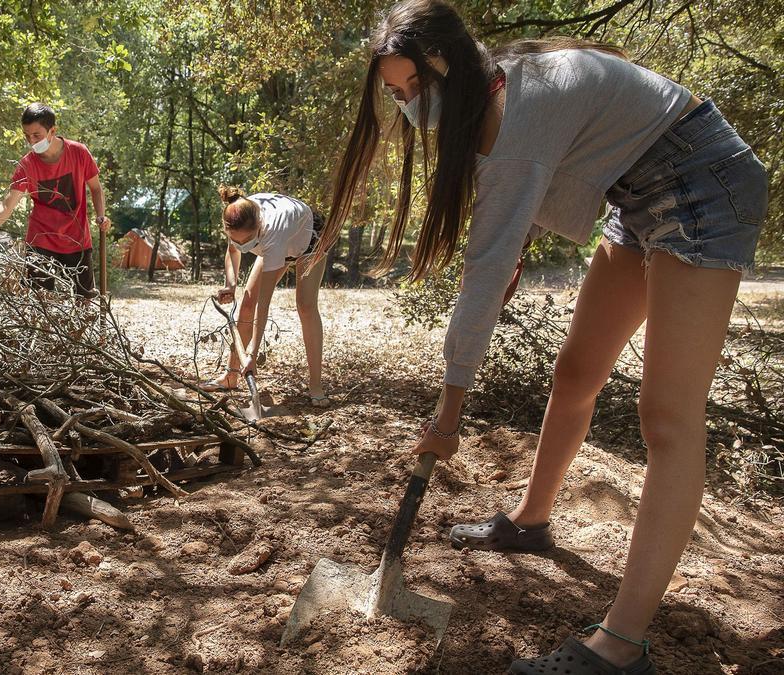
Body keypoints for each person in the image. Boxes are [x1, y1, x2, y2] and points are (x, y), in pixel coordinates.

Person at [312, 1, 769, 672]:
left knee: (668, 416)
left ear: (451, 71)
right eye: (396, 93)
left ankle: (621, 646)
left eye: (416, 88)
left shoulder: (512, 115)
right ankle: (530, 520)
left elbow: (483, 270)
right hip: (638, 190)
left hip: (702, 182)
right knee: (576, 370)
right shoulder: (499, 88)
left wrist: (449, 412)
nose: (409, 106)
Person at [0, 103, 111, 297]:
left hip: (77, 239)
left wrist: (101, 216)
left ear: (52, 131)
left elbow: (96, 188)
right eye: (26, 135)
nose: (31, 141)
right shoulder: (27, 165)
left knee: (84, 300)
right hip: (41, 240)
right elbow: (7, 205)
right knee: (40, 302)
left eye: (36, 135)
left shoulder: (79, 153)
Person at [203, 186, 330, 407]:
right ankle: (231, 376)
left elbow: (265, 301)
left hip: (309, 237)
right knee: (246, 302)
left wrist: (253, 352)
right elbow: (233, 251)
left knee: (305, 306)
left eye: (248, 241)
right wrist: (230, 285)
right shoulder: (237, 213)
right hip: (280, 238)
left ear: (259, 226)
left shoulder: (273, 233)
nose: (243, 246)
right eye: (237, 240)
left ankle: (316, 385)